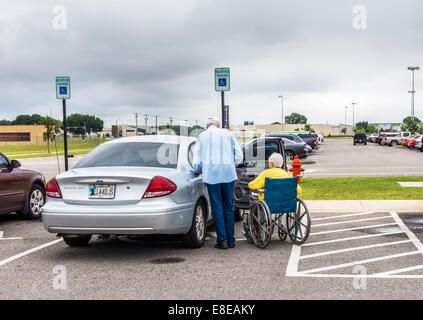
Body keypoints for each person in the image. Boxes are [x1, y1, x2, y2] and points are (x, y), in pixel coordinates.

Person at [193, 116, 243, 250]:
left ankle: (223, 240)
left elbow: (197, 161)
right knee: (229, 206)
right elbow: (239, 155)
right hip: (228, 174)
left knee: (217, 207)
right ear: (218, 125)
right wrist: (230, 164)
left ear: (207, 126)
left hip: (212, 175)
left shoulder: (202, 136)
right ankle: (231, 240)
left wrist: (198, 170)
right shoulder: (228, 134)